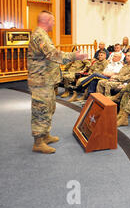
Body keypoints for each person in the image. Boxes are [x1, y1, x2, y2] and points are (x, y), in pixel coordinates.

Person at [27, 11, 87, 154]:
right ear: (47, 21)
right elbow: (53, 54)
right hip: (41, 81)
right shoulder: (39, 36)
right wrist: (74, 56)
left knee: (49, 108)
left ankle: (45, 135)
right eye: (53, 21)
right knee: (41, 110)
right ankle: (38, 142)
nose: (54, 24)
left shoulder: (42, 35)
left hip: (46, 80)